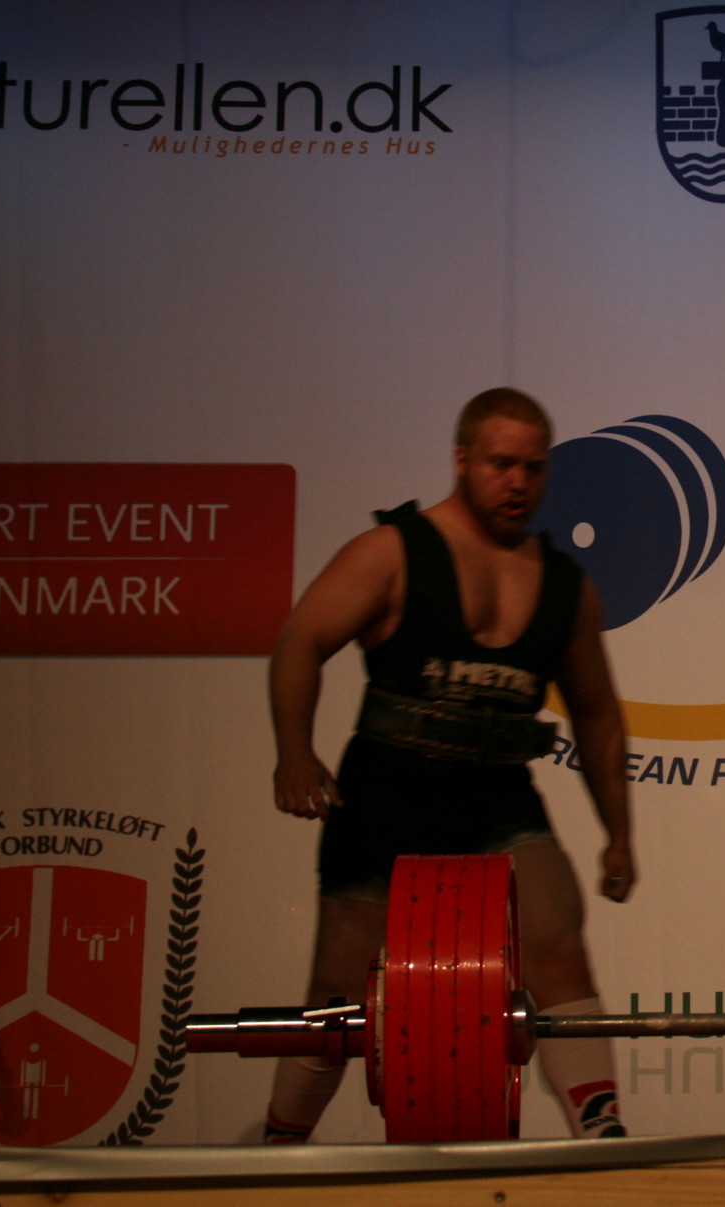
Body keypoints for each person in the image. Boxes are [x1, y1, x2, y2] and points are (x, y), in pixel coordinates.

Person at [264, 388, 633, 1141]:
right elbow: (300, 640)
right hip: (385, 795)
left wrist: (619, 835)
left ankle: (603, 1134)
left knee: (560, 947)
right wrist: (294, 754)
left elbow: (598, 715)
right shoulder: (392, 552)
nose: (517, 482)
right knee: (338, 994)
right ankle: (281, 1141)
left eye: (533, 467)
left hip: (496, 798)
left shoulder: (566, 587)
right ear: (462, 459)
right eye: (501, 464)